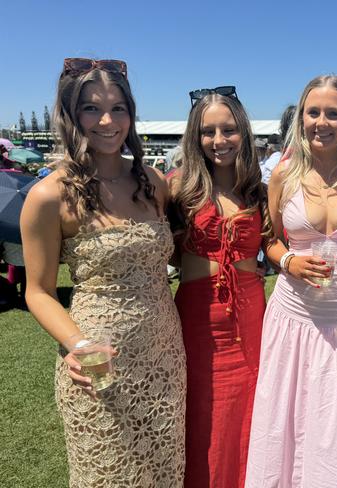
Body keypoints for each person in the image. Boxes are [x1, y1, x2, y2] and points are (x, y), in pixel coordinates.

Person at [20, 58, 186, 486]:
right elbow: (37, 291)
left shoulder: (153, 182)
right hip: (97, 363)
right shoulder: (48, 196)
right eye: (91, 108)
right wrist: (77, 344)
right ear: (71, 116)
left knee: (164, 471)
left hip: (164, 355)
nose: (107, 120)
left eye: (118, 108)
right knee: (107, 474)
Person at [246, 75, 337, 487]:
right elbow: (268, 240)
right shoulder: (283, 176)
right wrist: (288, 260)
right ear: (301, 118)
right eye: (313, 112)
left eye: (333, 113)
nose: (322, 122)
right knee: (284, 431)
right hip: (292, 323)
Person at [170, 86, 271, 488]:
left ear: (243, 134)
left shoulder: (258, 191)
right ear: (195, 138)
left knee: (247, 415)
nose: (218, 141)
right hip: (196, 320)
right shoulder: (177, 188)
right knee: (201, 416)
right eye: (208, 132)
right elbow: (166, 248)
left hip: (250, 319)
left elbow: (278, 242)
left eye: (228, 130)